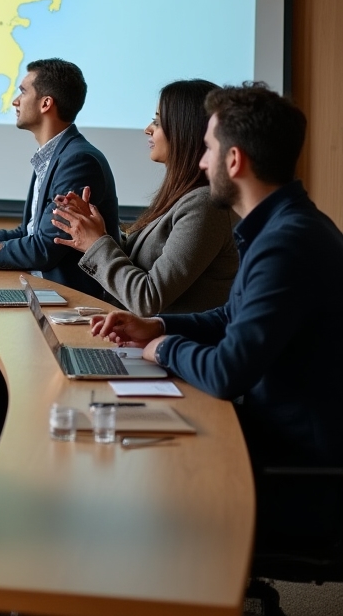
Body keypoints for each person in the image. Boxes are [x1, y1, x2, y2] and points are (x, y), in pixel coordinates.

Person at [90, 84, 343, 468]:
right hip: (272, 433)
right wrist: (157, 327)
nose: (203, 163)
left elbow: (226, 372)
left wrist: (164, 348)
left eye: (208, 150)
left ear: (235, 160)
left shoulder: (286, 244)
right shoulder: (283, 227)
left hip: (292, 461)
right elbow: (230, 317)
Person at [0, 59, 120, 434]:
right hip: (39, 295)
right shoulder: (51, 157)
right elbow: (27, 232)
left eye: (23, 91)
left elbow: (45, 248)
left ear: (46, 104)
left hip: (69, 304)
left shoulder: (77, 160)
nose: (15, 100)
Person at [50, 79, 238, 316]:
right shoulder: (183, 195)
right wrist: (96, 228)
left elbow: (149, 299)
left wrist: (96, 242)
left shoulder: (204, 206)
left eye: (158, 121)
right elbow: (138, 260)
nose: (148, 129)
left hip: (171, 347)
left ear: (185, 130)